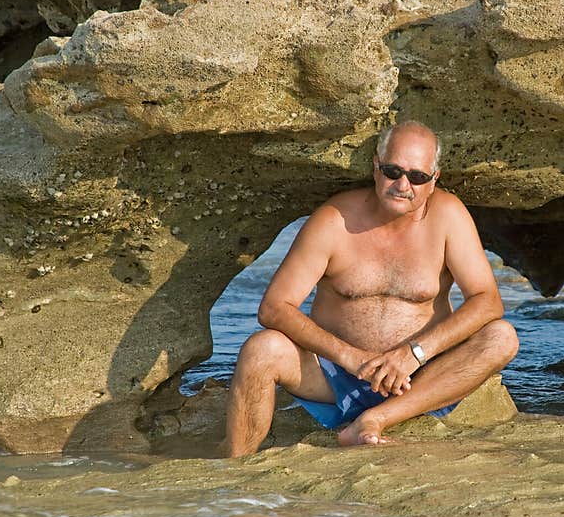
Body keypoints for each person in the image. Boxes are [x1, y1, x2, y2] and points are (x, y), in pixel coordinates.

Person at [222, 120, 519, 456]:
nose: (403, 184)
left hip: (419, 377)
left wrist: (414, 354)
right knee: (261, 349)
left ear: (433, 180)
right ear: (376, 166)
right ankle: (235, 471)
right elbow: (274, 308)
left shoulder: (448, 216)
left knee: (502, 336)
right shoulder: (334, 219)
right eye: (393, 171)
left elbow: (488, 302)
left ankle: (375, 419)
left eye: (417, 177)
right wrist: (350, 357)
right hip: (334, 375)